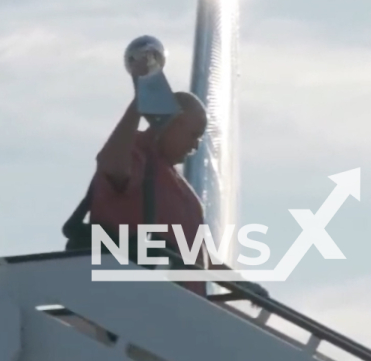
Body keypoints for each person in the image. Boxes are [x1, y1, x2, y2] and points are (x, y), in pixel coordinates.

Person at [65, 55, 268, 300]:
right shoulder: (136, 153)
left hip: (180, 309)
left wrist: (243, 285)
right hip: (137, 301)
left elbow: (198, 255)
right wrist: (141, 101)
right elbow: (111, 165)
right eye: (193, 134)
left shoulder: (182, 191)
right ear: (173, 121)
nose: (194, 145)